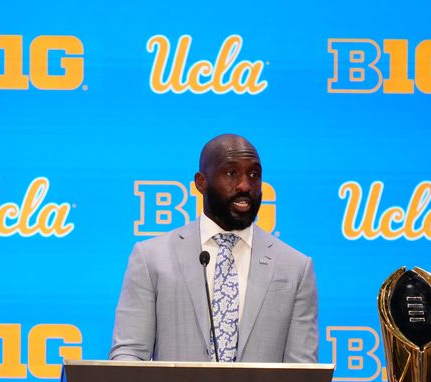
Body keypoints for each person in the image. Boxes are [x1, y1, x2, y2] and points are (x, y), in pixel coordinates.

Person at [109, 134, 318, 363]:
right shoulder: (151, 258)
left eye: (254, 174)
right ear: (201, 183)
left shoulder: (295, 267)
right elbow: (129, 355)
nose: (245, 185)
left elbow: (303, 373)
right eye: (231, 173)